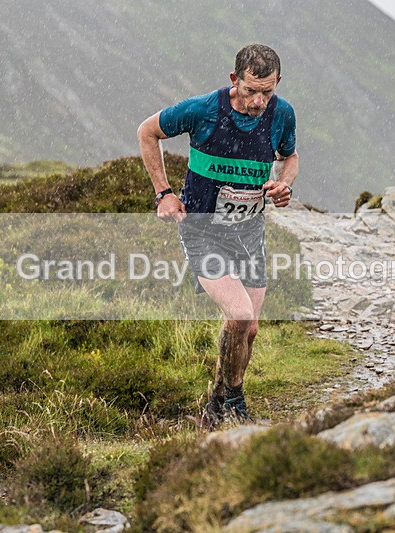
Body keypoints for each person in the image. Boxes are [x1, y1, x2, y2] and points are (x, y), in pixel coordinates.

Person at [137, 44, 299, 428]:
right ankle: (235, 404)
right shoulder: (204, 109)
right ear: (234, 80)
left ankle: (217, 401)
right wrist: (164, 194)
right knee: (239, 316)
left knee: (250, 329)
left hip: (249, 233)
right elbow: (147, 132)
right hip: (202, 230)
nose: (258, 101)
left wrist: (284, 184)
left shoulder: (282, 114)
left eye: (267, 92)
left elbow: (289, 156)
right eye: (251, 90)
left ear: (277, 83)